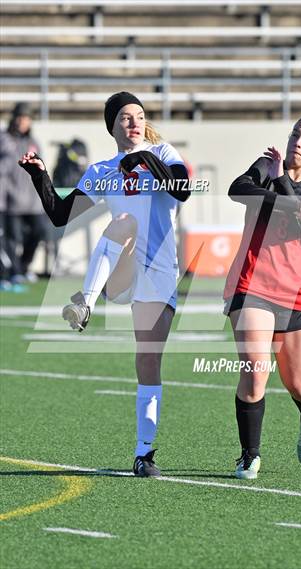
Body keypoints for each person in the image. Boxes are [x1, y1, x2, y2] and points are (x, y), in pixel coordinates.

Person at [19, 91, 190, 477]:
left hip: (159, 275)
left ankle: (144, 454)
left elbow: (180, 188)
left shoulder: (163, 155)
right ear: (111, 125)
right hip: (119, 276)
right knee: (123, 223)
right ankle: (85, 302)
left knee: (148, 361)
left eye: (140, 116)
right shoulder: (102, 170)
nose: (134, 122)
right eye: (126, 117)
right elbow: (62, 214)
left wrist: (142, 158)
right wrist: (40, 175)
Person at [223, 114, 301, 479]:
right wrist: (279, 186)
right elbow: (237, 190)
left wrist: (282, 186)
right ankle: (249, 455)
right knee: (256, 375)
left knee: (300, 385)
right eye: (294, 134)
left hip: (296, 290)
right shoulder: (265, 166)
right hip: (252, 284)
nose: (296, 142)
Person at [1, 102, 47, 285]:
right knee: (12, 239)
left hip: (32, 201)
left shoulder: (33, 142)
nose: (22, 121)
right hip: (11, 200)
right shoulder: (4, 139)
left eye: (26, 118)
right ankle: (15, 272)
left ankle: (22, 266)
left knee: (39, 231)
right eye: (20, 117)